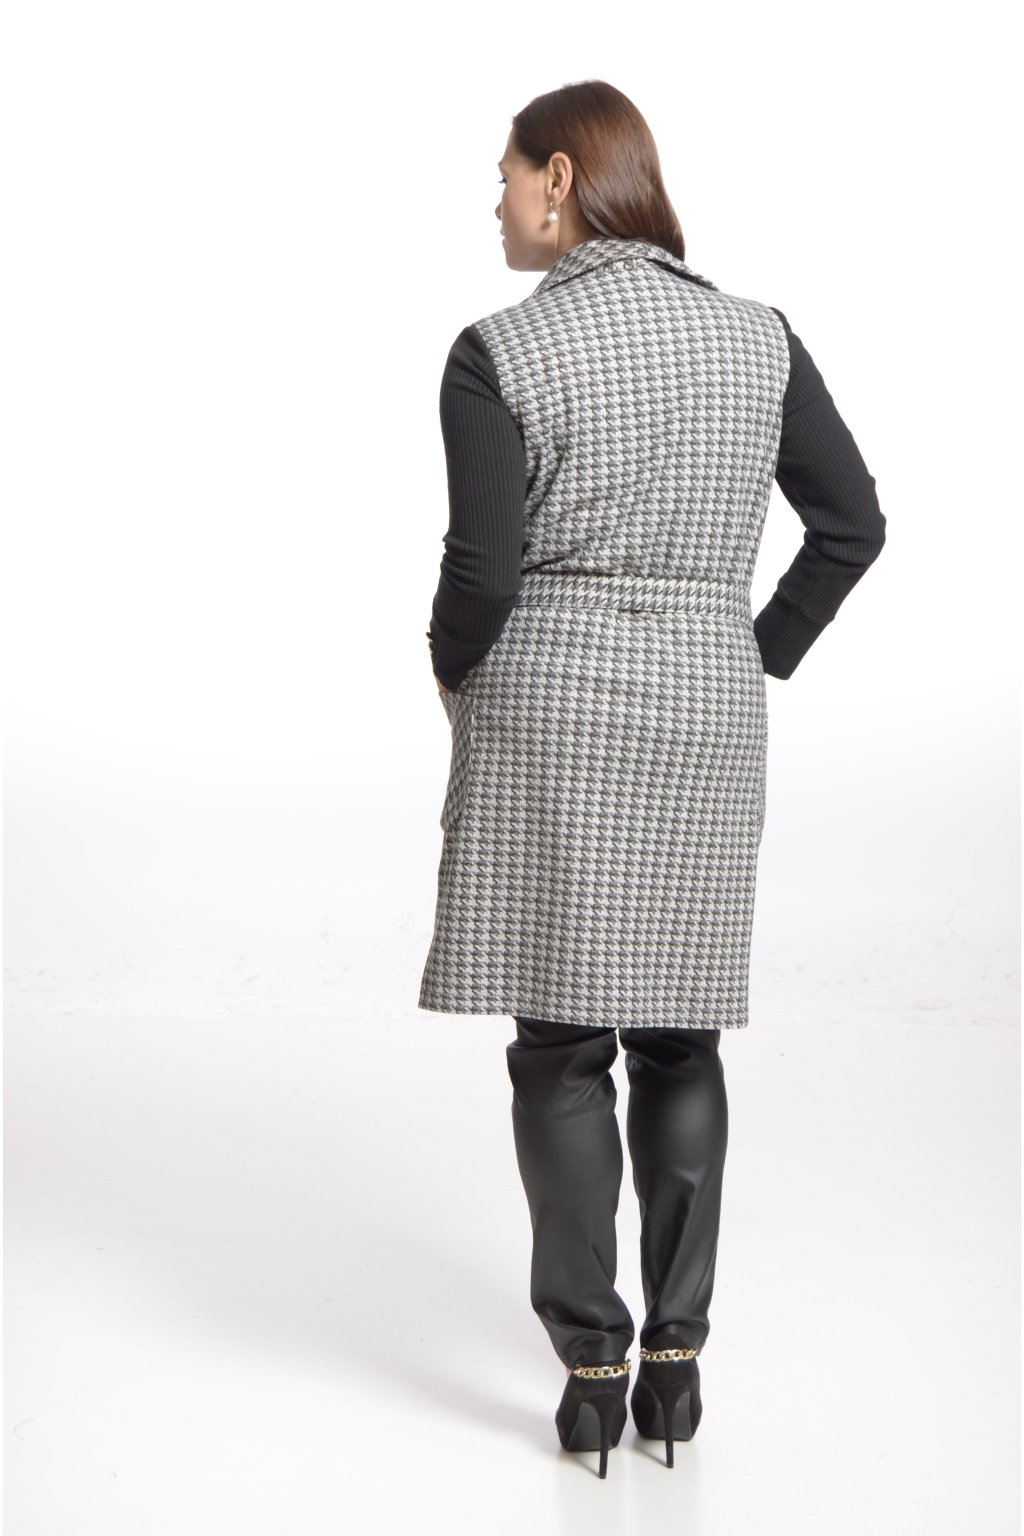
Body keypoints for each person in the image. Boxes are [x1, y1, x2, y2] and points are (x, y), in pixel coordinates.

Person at [418, 80, 886, 1479]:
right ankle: (677, 1366)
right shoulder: (759, 337)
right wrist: (754, 650)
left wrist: (452, 673)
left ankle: (589, 1369)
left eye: (507, 174)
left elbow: (483, 568)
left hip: (550, 708)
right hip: (702, 712)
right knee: (682, 1039)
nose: (496, 200)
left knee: (561, 1046)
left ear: (561, 178)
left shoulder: (499, 350)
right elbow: (853, 523)